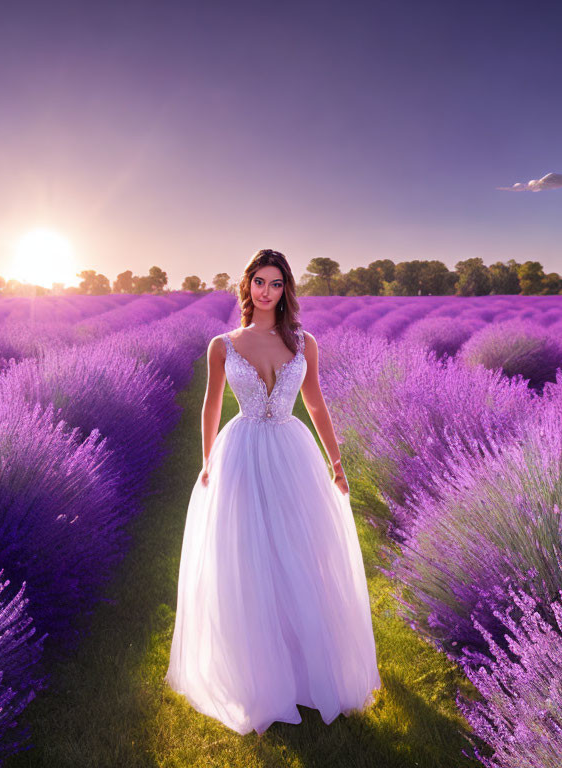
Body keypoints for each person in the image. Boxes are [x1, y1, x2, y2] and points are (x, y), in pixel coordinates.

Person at [165, 248, 381, 736]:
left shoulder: (305, 343)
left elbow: (318, 405)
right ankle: (257, 673)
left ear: (287, 290)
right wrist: (205, 463)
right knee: (248, 555)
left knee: (301, 553)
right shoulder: (223, 344)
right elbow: (210, 405)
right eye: (259, 282)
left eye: (277, 283)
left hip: (292, 451)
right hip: (240, 452)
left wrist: (338, 463)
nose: (267, 290)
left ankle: (306, 668)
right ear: (248, 287)